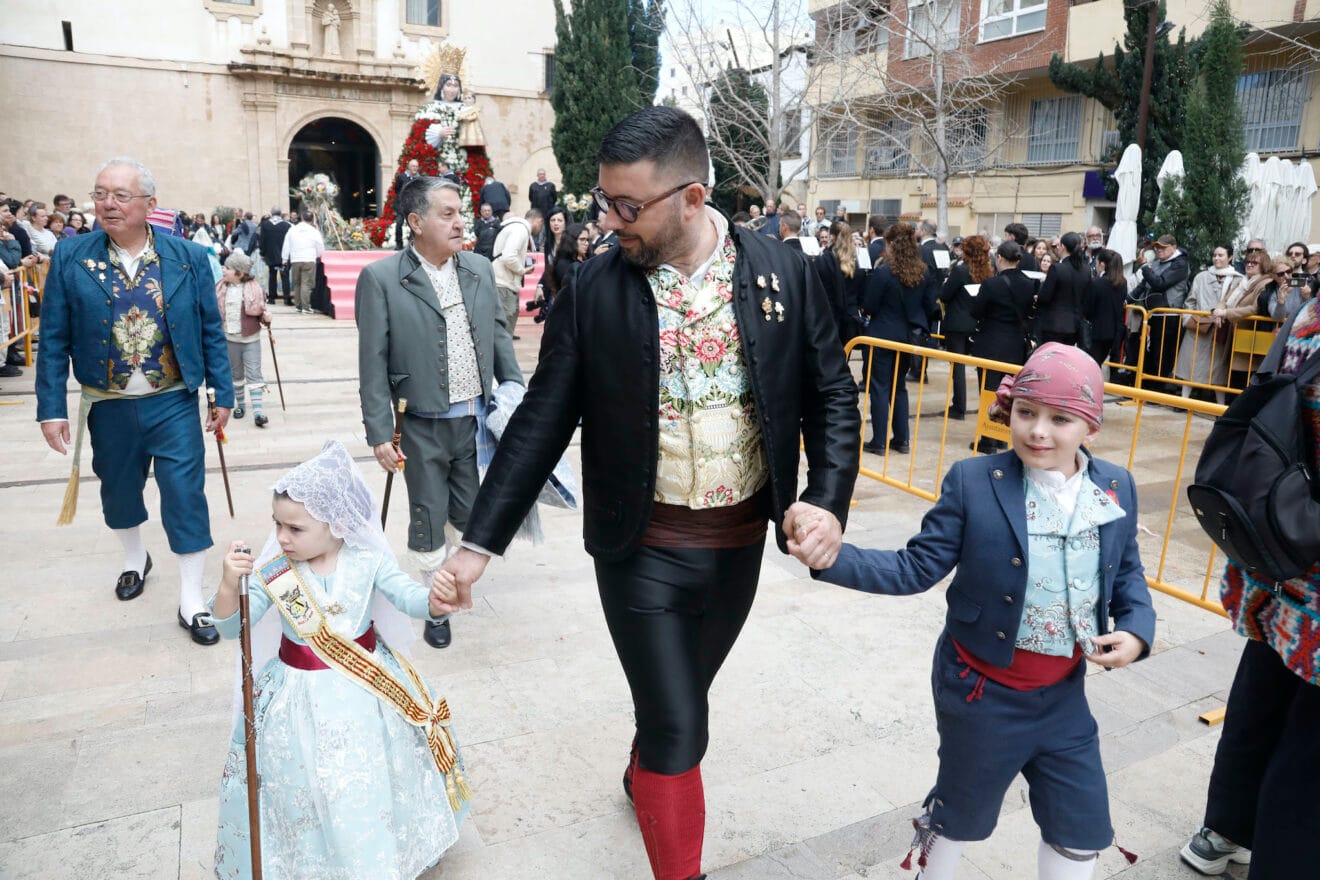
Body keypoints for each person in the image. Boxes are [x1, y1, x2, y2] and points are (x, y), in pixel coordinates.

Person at [438, 106, 859, 880]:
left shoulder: (784, 273)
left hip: (737, 548)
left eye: (627, 206)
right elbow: (540, 420)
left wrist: (827, 500)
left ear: (691, 199)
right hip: (641, 546)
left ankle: (646, 774)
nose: (610, 220)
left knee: (681, 696)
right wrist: (477, 546)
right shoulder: (597, 286)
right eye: (604, 201)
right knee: (679, 723)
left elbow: (832, 393)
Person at [806, 342, 1154, 880]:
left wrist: (1135, 631)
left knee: (1081, 825)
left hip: (1064, 695)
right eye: (1026, 412)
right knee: (960, 814)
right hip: (980, 689)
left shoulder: (1115, 485)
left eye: (1060, 418)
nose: (1038, 431)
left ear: (1091, 426)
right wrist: (831, 556)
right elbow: (914, 567)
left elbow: (1127, 572)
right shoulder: (973, 482)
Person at [209, 440, 469, 879]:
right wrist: (227, 587)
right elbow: (234, 630)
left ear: (336, 523)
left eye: (295, 528)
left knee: (365, 784)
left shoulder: (368, 561)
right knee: (307, 787)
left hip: (368, 690)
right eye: (278, 525)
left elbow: (409, 598)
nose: (281, 537)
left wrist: (437, 602)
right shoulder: (275, 573)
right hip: (296, 696)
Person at [36, 156, 233, 646]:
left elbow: (211, 329)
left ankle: (192, 599)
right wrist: (51, 407)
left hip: (171, 401)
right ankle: (134, 559)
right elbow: (54, 336)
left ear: (150, 204)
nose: (107, 204)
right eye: (100, 193)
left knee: (185, 495)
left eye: (121, 196)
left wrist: (221, 393)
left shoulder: (185, 256)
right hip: (108, 404)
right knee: (118, 492)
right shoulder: (71, 256)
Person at [1180, 293, 1320, 879]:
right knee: (1311, 746)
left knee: (1262, 690)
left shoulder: (1309, 312)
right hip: (1311, 572)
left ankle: (1225, 828)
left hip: (1277, 545)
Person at [356, 176, 523, 651]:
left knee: (472, 512)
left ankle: (452, 572)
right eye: (446, 214)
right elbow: (372, 359)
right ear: (415, 222)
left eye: (459, 213)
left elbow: (497, 335)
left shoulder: (477, 268)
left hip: (475, 420)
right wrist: (378, 431)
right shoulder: (383, 278)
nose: (458, 223)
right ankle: (436, 600)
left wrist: (514, 392)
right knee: (427, 511)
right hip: (419, 421)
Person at [862, 221, 937, 455]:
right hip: (908, 338)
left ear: (892, 244)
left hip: (883, 335)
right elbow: (929, 307)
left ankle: (880, 441)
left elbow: (870, 305)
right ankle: (902, 439)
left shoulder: (885, 272)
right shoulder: (923, 272)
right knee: (899, 387)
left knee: (880, 387)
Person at [969, 241, 1036, 453]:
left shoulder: (991, 284)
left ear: (999, 258)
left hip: (991, 342)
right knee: (1008, 391)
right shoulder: (1028, 283)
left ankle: (988, 439)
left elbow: (976, 311)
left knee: (989, 389)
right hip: (1015, 343)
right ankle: (1001, 437)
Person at [1174, 244, 1241, 402]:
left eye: (1221, 255)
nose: (1216, 258)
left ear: (1230, 257)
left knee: (1218, 369)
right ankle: (1183, 401)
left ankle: (1219, 406)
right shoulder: (1201, 277)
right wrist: (1188, 319)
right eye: (1215, 255)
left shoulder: (1238, 279)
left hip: (1221, 329)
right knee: (1191, 364)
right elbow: (1190, 301)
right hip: (1198, 327)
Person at [939, 234, 993, 419]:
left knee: (958, 367)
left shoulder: (961, 271)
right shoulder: (989, 272)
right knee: (980, 368)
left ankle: (959, 407)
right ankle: (984, 408)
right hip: (978, 323)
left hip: (958, 322)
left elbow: (945, 295)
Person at [216, 251, 271, 427]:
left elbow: (260, 311)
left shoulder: (255, 289)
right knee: (236, 374)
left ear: (239, 273)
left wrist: (266, 318)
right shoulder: (219, 289)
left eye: (228, 268)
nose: (223, 270)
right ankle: (240, 406)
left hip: (250, 339)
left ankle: (258, 412)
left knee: (254, 374)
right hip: (230, 338)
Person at [1129, 233, 1190, 393]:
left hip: (1168, 315)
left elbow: (1160, 283)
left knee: (1163, 354)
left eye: (1163, 247)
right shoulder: (1156, 263)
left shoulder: (1180, 264)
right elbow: (1143, 285)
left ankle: (1159, 389)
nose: (1158, 250)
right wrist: (1127, 300)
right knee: (1150, 351)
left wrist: (1144, 268)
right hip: (1151, 314)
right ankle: (1148, 386)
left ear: (1173, 247)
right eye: (1157, 247)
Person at [1210, 251, 1272, 390]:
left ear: (1263, 265)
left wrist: (1226, 313)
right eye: (1247, 262)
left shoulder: (1265, 283)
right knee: (1233, 374)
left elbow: (1254, 309)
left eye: (1254, 263)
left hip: (1250, 335)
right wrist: (1219, 312)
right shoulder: (1242, 281)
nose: (1249, 265)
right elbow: (1224, 300)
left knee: (1243, 375)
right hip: (1234, 332)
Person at [813, 219, 864, 347]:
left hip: (830, 317)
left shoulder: (824, 260)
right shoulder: (859, 261)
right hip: (850, 317)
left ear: (832, 237)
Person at [1035, 231, 1090, 347]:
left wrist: (1038, 297)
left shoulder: (1057, 268)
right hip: (1074, 326)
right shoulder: (1086, 270)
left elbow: (1045, 297)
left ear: (1063, 247)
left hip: (1053, 324)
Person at [491, 207, 538, 339]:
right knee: (504, 328)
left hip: (503, 281)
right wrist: (522, 270)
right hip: (504, 282)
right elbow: (509, 256)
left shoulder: (517, 228)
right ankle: (502, 359)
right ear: (538, 221)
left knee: (506, 326)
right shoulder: (520, 229)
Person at [1086, 248, 1129, 370]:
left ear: (1102, 264)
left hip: (1096, 332)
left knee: (1091, 366)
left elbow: (1088, 309)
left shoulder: (1097, 283)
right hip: (1113, 333)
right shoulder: (1123, 283)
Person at [282, 211, 325, 314]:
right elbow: (320, 246)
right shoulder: (314, 231)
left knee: (297, 283)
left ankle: (298, 305)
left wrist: (284, 258)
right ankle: (305, 307)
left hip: (295, 259)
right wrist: (318, 255)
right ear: (312, 219)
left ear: (301, 217)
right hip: (309, 258)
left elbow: (286, 244)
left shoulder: (293, 229)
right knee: (306, 283)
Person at [257, 207, 292, 305]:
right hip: (283, 254)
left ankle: (272, 297)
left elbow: (262, 240)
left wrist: (262, 253)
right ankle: (287, 298)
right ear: (280, 214)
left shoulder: (266, 225)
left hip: (270, 253)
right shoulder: (286, 225)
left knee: (272, 275)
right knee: (284, 276)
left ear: (271, 214)